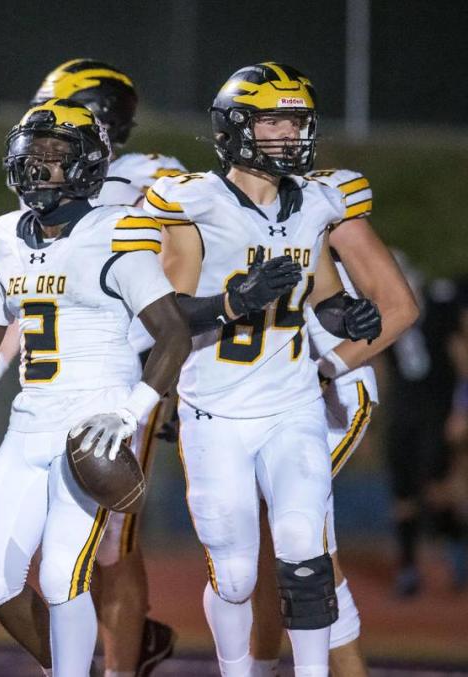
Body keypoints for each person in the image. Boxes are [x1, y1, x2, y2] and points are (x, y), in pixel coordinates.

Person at [140, 62, 382, 677]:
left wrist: (344, 314)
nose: (288, 132)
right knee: (239, 574)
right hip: (215, 410)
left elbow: (321, 291)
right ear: (236, 126)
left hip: (293, 405)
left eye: (296, 120)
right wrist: (233, 301)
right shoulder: (195, 203)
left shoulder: (317, 204)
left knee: (304, 547)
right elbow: (162, 317)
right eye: (274, 119)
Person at [0, 98, 190, 676]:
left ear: (85, 167)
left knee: (60, 576)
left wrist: (130, 414)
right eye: (31, 157)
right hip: (29, 424)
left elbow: (171, 333)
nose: (38, 169)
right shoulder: (6, 237)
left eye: (53, 158)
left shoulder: (116, 231)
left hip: (92, 424)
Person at [247, 166, 418, 677]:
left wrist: (327, 367)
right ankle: (260, 666)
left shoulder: (324, 196)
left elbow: (398, 308)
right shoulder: (240, 199)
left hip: (328, 396)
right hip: (271, 395)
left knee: (308, 544)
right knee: (267, 543)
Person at [380, 256, 467, 597]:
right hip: (403, 416)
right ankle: (408, 568)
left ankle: (456, 556)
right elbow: (379, 366)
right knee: (402, 495)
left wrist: (461, 408)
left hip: (437, 411)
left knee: (438, 490)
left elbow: (460, 356)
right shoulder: (381, 314)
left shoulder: (436, 307)